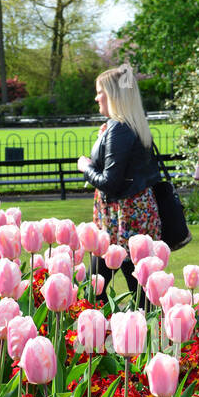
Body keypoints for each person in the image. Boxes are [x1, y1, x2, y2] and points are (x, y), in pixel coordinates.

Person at [77, 65, 162, 305]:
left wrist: (86, 167)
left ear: (114, 94)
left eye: (100, 91)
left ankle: (112, 334)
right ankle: (130, 333)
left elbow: (110, 182)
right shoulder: (131, 124)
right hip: (135, 214)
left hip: (122, 220)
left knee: (97, 289)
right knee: (140, 290)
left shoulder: (120, 128)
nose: (96, 97)